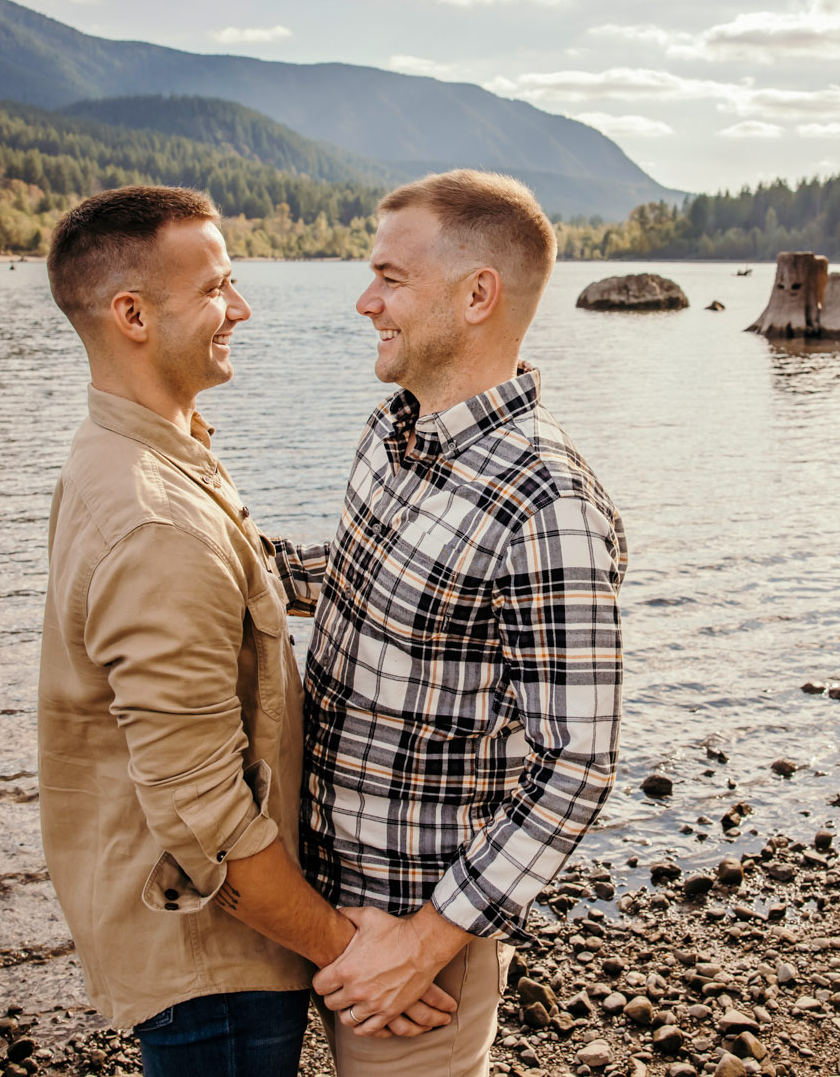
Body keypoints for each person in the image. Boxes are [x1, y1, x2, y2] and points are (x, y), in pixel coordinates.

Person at [36, 186, 453, 1077]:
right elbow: (209, 821)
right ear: (133, 314)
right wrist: (352, 949)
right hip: (215, 965)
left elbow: (247, 574)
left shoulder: (130, 454)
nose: (243, 309)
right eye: (218, 288)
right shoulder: (155, 524)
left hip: (195, 945)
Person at [272, 170, 628, 1076]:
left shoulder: (546, 502)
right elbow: (358, 585)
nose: (365, 301)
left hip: (411, 943)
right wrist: (205, 536)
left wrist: (426, 943)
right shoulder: (391, 435)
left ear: (478, 295)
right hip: (314, 906)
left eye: (390, 277)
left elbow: (576, 762)